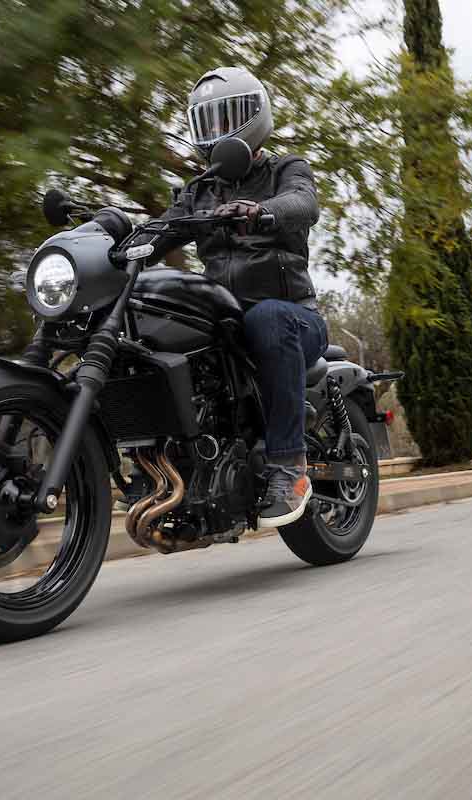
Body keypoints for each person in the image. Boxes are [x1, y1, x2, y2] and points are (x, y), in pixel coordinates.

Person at [146, 66, 328, 529]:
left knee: (266, 317)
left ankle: (290, 466)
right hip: (227, 325)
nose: (217, 132)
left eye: (228, 118)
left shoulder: (287, 169)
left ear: (256, 117)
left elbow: (303, 204)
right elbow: (162, 230)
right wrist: (110, 236)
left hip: (293, 319)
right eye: (207, 122)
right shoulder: (199, 192)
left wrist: (261, 212)